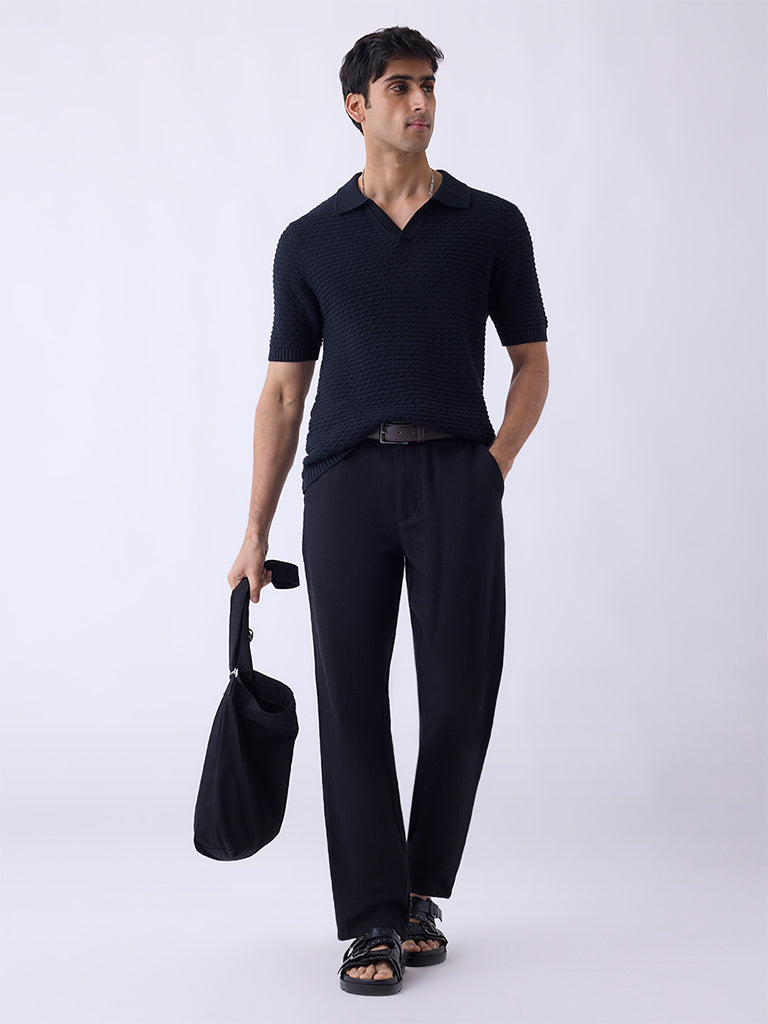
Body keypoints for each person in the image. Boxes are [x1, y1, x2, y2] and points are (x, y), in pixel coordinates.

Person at [227, 25, 550, 996]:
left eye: (429, 86)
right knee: (352, 700)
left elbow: (531, 363)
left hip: (457, 475)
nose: (420, 102)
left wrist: (492, 466)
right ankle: (370, 917)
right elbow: (284, 391)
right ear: (356, 106)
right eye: (400, 87)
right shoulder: (310, 241)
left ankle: (417, 890)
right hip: (346, 485)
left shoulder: (491, 225)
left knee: (460, 693)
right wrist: (255, 529)